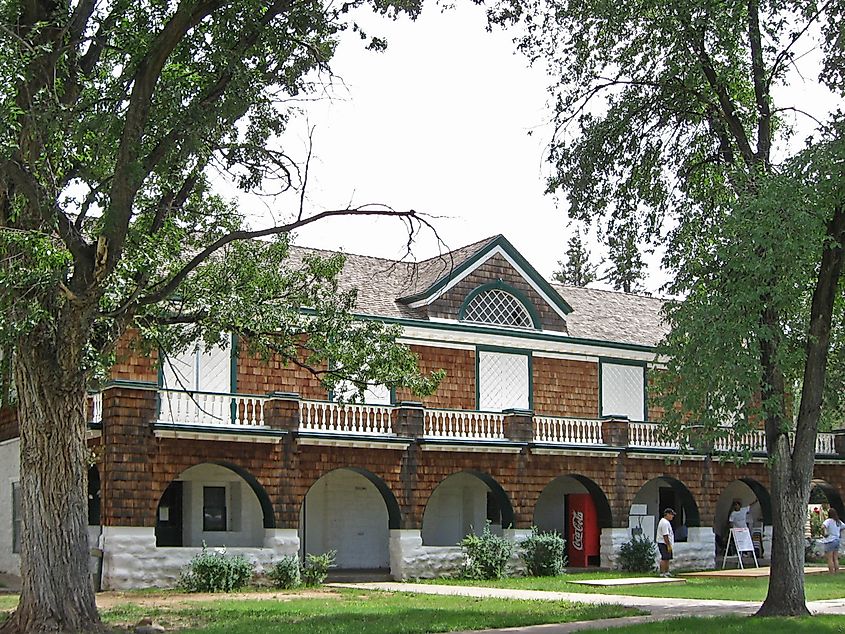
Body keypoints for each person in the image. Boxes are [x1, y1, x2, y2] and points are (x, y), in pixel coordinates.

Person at [822, 508, 843, 574]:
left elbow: (823, 526)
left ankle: (831, 572)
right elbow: (843, 527)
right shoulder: (838, 521)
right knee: (835, 557)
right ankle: (837, 571)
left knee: (830, 558)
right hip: (837, 540)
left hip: (830, 540)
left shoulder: (828, 521)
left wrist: (825, 532)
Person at [656, 508, 675, 577]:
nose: (672, 516)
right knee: (664, 558)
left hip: (667, 543)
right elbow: (665, 535)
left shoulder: (667, 522)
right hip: (663, 543)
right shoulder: (664, 522)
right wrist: (668, 545)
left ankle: (667, 572)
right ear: (667, 514)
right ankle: (662, 573)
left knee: (667, 558)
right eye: (671, 515)